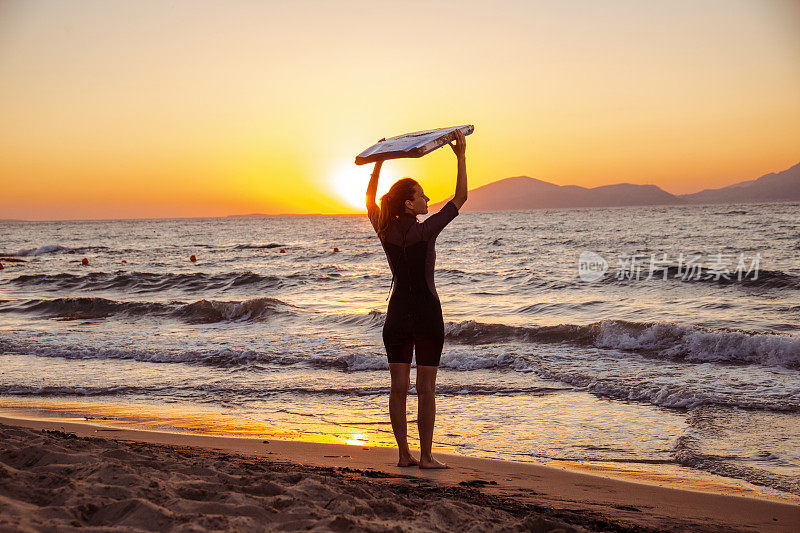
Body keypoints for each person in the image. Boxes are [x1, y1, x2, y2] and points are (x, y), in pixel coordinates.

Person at [365, 129, 467, 469]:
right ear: (409, 203)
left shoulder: (384, 229)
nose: (427, 200)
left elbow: (369, 199)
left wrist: (379, 161)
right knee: (426, 389)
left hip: (396, 317)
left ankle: (403, 456)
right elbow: (461, 198)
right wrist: (461, 155)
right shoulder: (426, 230)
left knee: (397, 388)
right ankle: (425, 456)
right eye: (422, 196)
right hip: (426, 315)